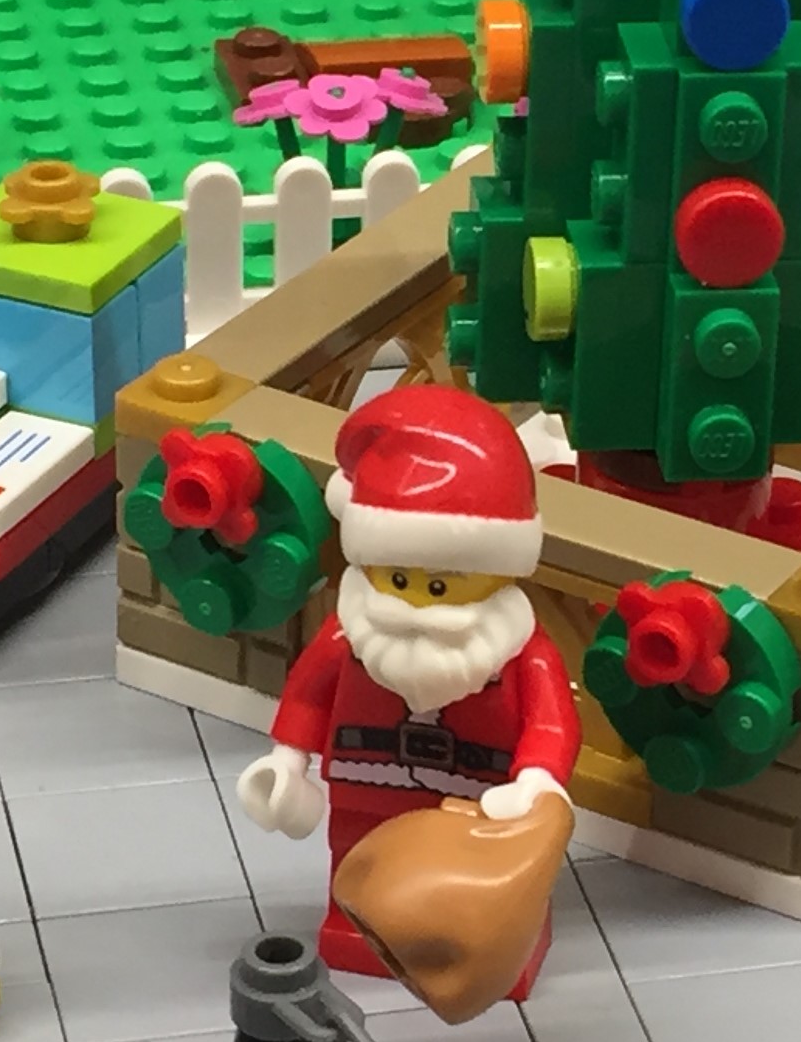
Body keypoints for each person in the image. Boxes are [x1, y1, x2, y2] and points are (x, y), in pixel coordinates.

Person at [235, 383, 579, 1000]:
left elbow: (551, 721)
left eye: (442, 585)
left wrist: (536, 778)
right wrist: (287, 762)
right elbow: (310, 693)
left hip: (476, 802)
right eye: (397, 579)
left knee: (470, 881)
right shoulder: (356, 632)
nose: (416, 605)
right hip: (367, 778)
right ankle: (356, 926)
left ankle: (474, 946)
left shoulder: (519, 650)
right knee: (355, 854)